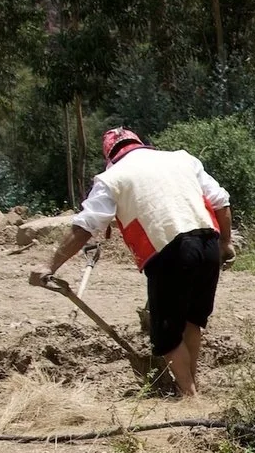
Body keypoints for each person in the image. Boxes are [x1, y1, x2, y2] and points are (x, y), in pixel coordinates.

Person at [36, 128, 231, 398]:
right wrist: (225, 244)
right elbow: (221, 202)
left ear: (111, 157)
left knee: (165, 333)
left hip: (170, 250)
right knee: (191, 320)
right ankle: (190, 384)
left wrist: (50, 266)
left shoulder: (111, 178)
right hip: (208, 241)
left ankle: (188, 395)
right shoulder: (183, 158)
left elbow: (85, 227)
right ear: (141, 145)